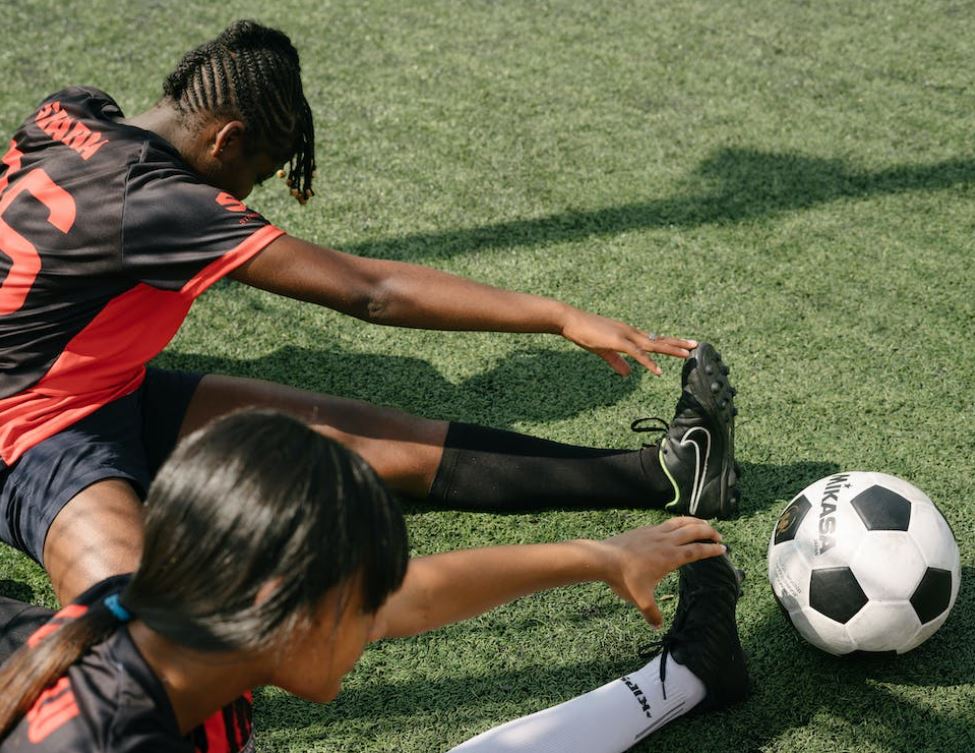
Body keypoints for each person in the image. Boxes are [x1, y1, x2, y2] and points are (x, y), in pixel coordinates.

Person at [0, 18, 739, 608]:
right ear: (225, 138)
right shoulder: (165, 206)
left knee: (383, 443)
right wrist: (555, 314)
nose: (245, 199)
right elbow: (369, 291)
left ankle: (666, 475)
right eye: (252, 175)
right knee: (133, 630)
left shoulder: (69, 110)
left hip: (103, 387)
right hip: (30, 429)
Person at [0, 410, 748, 752]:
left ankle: (685, 676)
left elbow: (412, 595)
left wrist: (600, 554)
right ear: (278, 603)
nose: (374, 630)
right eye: (361, 611)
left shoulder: (156, 615)